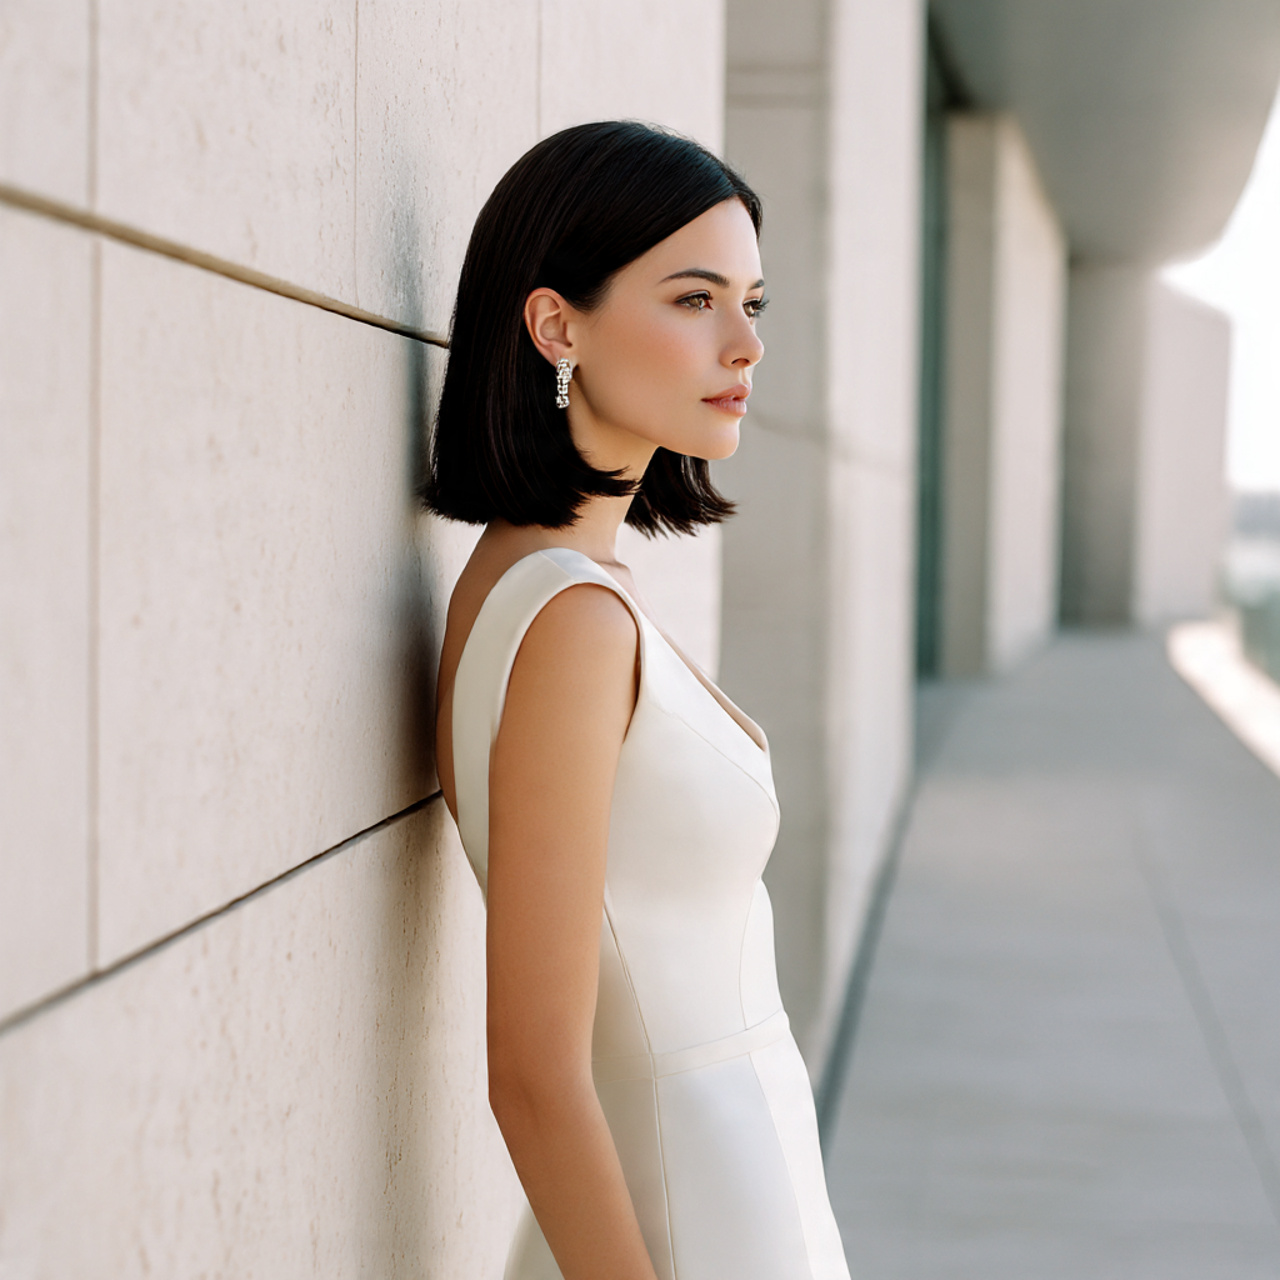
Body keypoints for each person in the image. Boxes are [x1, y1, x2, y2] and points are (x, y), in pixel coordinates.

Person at [425, 121, 850, 1280]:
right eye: (693, 299)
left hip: (729, 1178)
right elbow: (533, 1069)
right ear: (557, 323)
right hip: (694, 1206)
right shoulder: (564, 620)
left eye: (751, 303)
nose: (743, 344)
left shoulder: (549, 585)